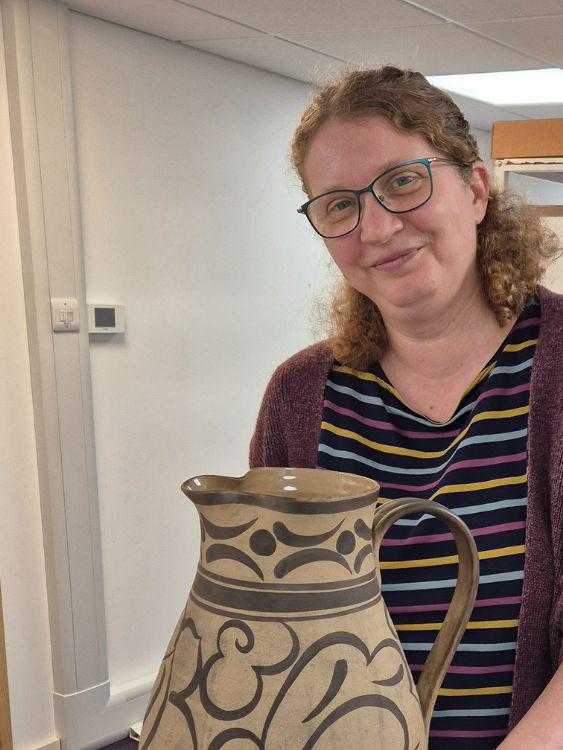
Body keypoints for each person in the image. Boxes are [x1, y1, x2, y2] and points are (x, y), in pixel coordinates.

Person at [249, 66, 563, 750]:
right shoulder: (297, 398)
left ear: (475, 189)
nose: (378, 225)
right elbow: (275, 617)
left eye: (402, 181)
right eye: (338, 204)